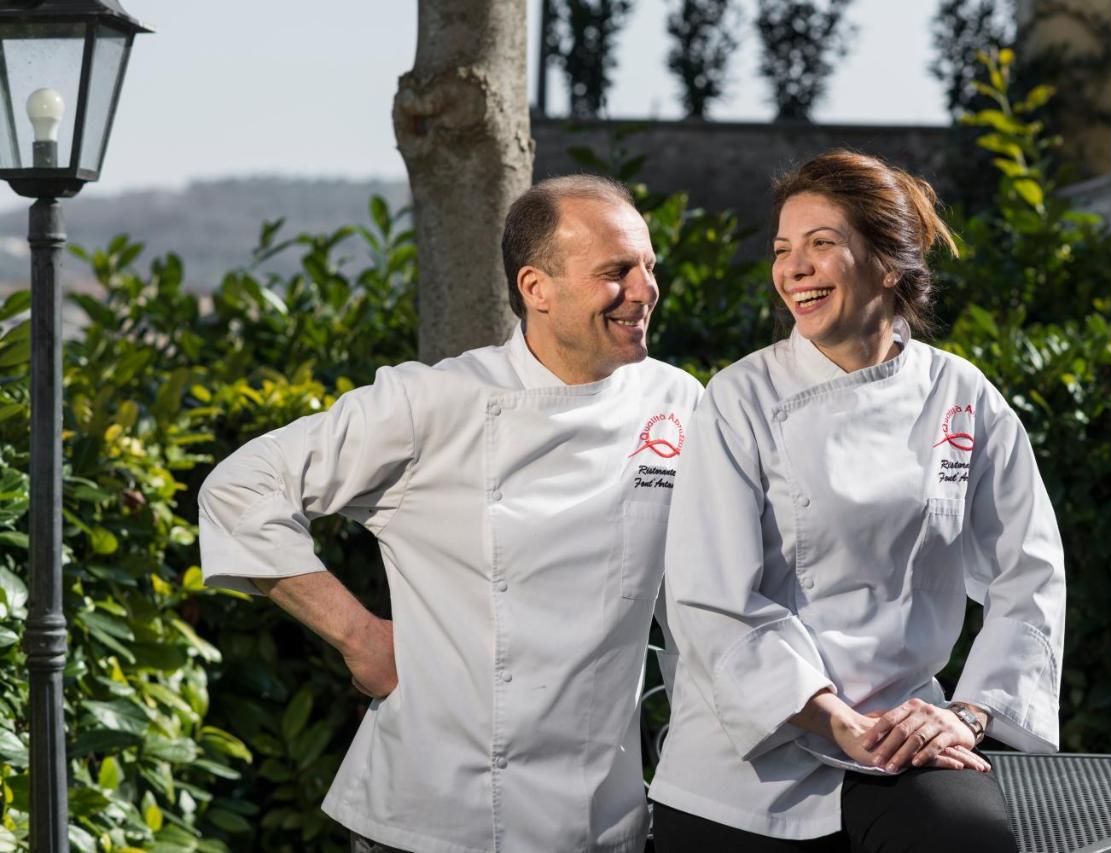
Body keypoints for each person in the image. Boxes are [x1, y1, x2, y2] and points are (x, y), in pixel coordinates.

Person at [197, 175, 702, 853]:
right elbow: (240, 488)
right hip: (436, 816)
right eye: (617, 271)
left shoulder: (677, 400)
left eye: (648, 266)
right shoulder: (433, 402)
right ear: (536, 289)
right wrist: (359, 636)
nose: (645, 290)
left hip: (599, 817)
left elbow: (705, 594)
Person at [648, 150, 1065, 852]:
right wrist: (837, 718)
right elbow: (712, 601)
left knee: (968, 837)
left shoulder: (962, 398)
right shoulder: (738, 400)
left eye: (821, 244)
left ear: (889, 263)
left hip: (905, 737)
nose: (793, 269)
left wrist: (965, 714)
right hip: (747, 755)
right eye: (783, 250)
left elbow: (1028, 574)